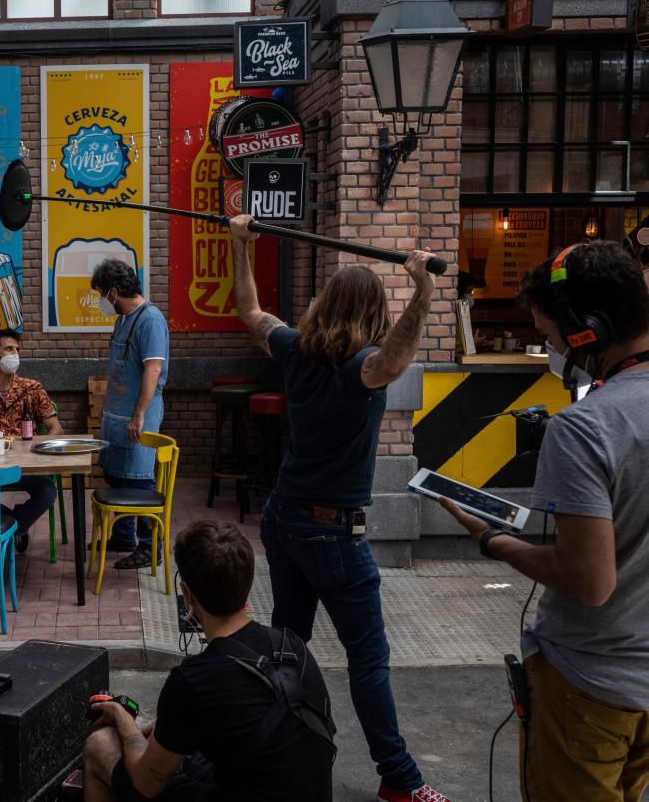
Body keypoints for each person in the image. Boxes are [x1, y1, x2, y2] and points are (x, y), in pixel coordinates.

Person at [228, 214, 449, 802]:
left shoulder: (296, 350)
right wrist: (423, 294)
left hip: (285, 521)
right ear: (371, 313)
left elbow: (249, 310)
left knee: (287, 648)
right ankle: (399, 780)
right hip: (331, 535)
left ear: (325, 306)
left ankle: (269, 756)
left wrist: (238, 244)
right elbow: (391, 362)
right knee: (368, 662)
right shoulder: (360, 368)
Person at [440, 240, 649, 802]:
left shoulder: (585, 427)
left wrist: (493, 540)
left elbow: (590, 581)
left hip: (591, 682)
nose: (551, 349)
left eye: (552, 336)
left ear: (588, 330)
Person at [81, 520, 334, 801]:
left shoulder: (192, 681)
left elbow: (145, 783)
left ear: (187, 595)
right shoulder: (292, 646)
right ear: (246, 583)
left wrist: (119, 717)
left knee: (99, 745)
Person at [89, 259, 169, 570]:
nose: (100, 301)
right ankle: (123, 535)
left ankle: (151, 547)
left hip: (137, 418)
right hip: (115, 416)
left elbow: (153, 369)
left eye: (101, 294)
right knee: (115, 475)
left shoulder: (149, 320)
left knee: (139, 482)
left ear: (113, 291)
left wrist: (138, 415)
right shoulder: (123, 318)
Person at [0, 328, 62, 553]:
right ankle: (13, 529)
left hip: (24, 467)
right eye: (9, 349)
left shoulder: (32, 388)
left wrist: (37, 448)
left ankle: (2, 532)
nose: (15, 354)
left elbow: (55, 428)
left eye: (17, 349)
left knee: (47, 490)